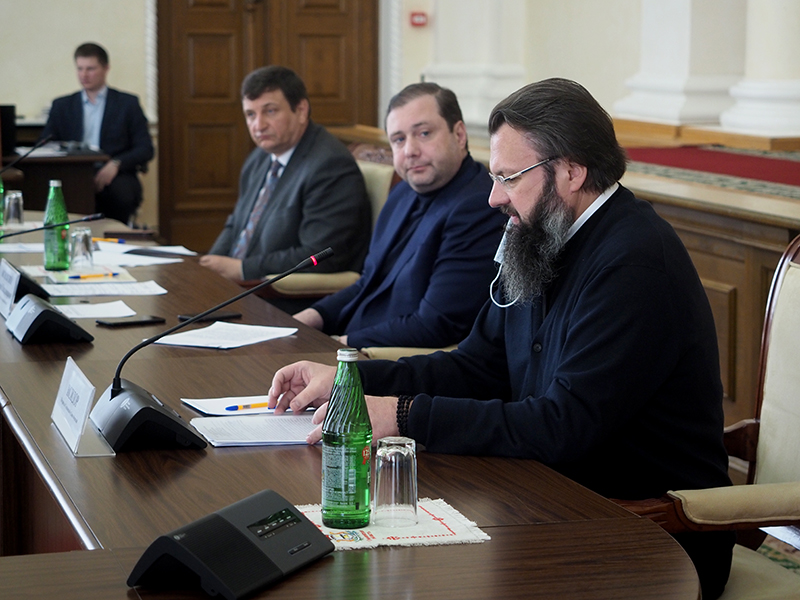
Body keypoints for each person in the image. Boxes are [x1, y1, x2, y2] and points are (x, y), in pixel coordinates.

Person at [267, 78, 735, 599]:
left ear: (572, 171)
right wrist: (353, 381)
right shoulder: (541, 234)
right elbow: (476, 366)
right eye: (493, 177)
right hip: (549, 498)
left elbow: (563, 425)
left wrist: (401, 415)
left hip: (645, 533)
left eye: (509, 177)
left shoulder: (635, 263)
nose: (494, 197)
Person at [293, 83, 506, 349]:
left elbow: (436, 324)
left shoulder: (479, 207)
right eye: (398, 139)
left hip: (388, 360)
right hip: (356, 343)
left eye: (424, 133)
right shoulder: (402, 193)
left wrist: (339, 345)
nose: (410, 150)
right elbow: (368, 283)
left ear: (459, 134)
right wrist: (308, 319)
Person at [200, 66, 370, 284]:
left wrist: (243, 269)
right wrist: (209, 267)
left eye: (270, 111)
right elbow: (237, 226)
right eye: (250, 114)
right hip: (241, 286)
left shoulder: (330, 166)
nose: (258, 125)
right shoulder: (259, 158)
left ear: (301, 111)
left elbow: (319, 257)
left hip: (280, 293)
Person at [41, 43, 154, 225]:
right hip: (74, 173)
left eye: (90, 69)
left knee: (121, 194)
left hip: (114, 172)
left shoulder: (127, 104)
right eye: (80, 69)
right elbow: (45, 143)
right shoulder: (62, 106)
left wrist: (116, 163)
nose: (84, 75)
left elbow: (145, 148)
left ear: (106, 68)